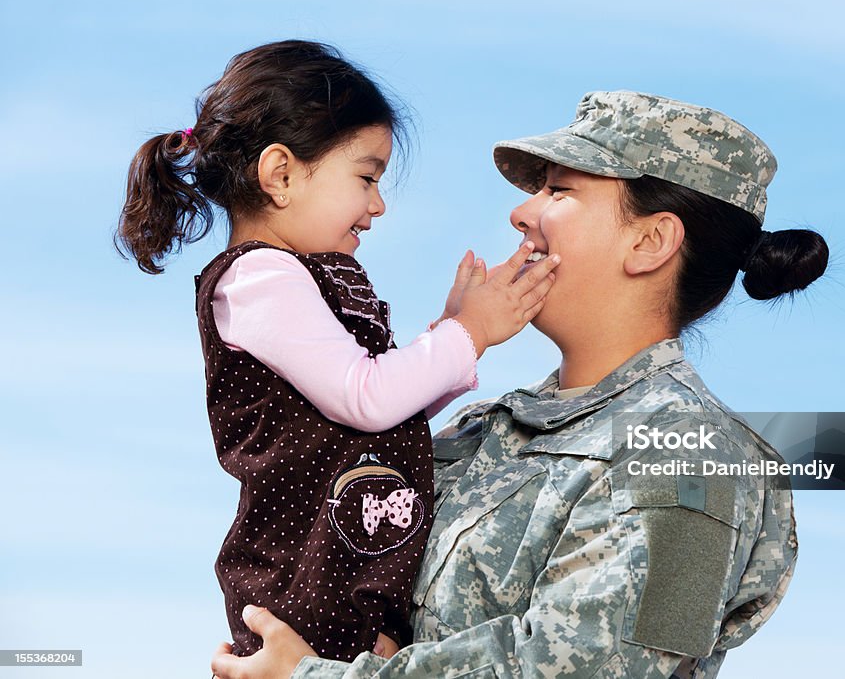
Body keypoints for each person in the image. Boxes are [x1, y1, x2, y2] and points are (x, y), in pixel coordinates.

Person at [210, 90, 828, 679]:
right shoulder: (484, 430)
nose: (522, 211)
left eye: (559, 190)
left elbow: (607, 667)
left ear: (649, 241)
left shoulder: (695, 458)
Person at [116, 40, 561, 663]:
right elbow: (367, 397)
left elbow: (373, 411)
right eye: (366, 177)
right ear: (281, 175)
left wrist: (453, 326)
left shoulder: (297, 275)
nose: (378, 205)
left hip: (342, 561)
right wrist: (470, 334)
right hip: (304, 577)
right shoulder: (260, 279)